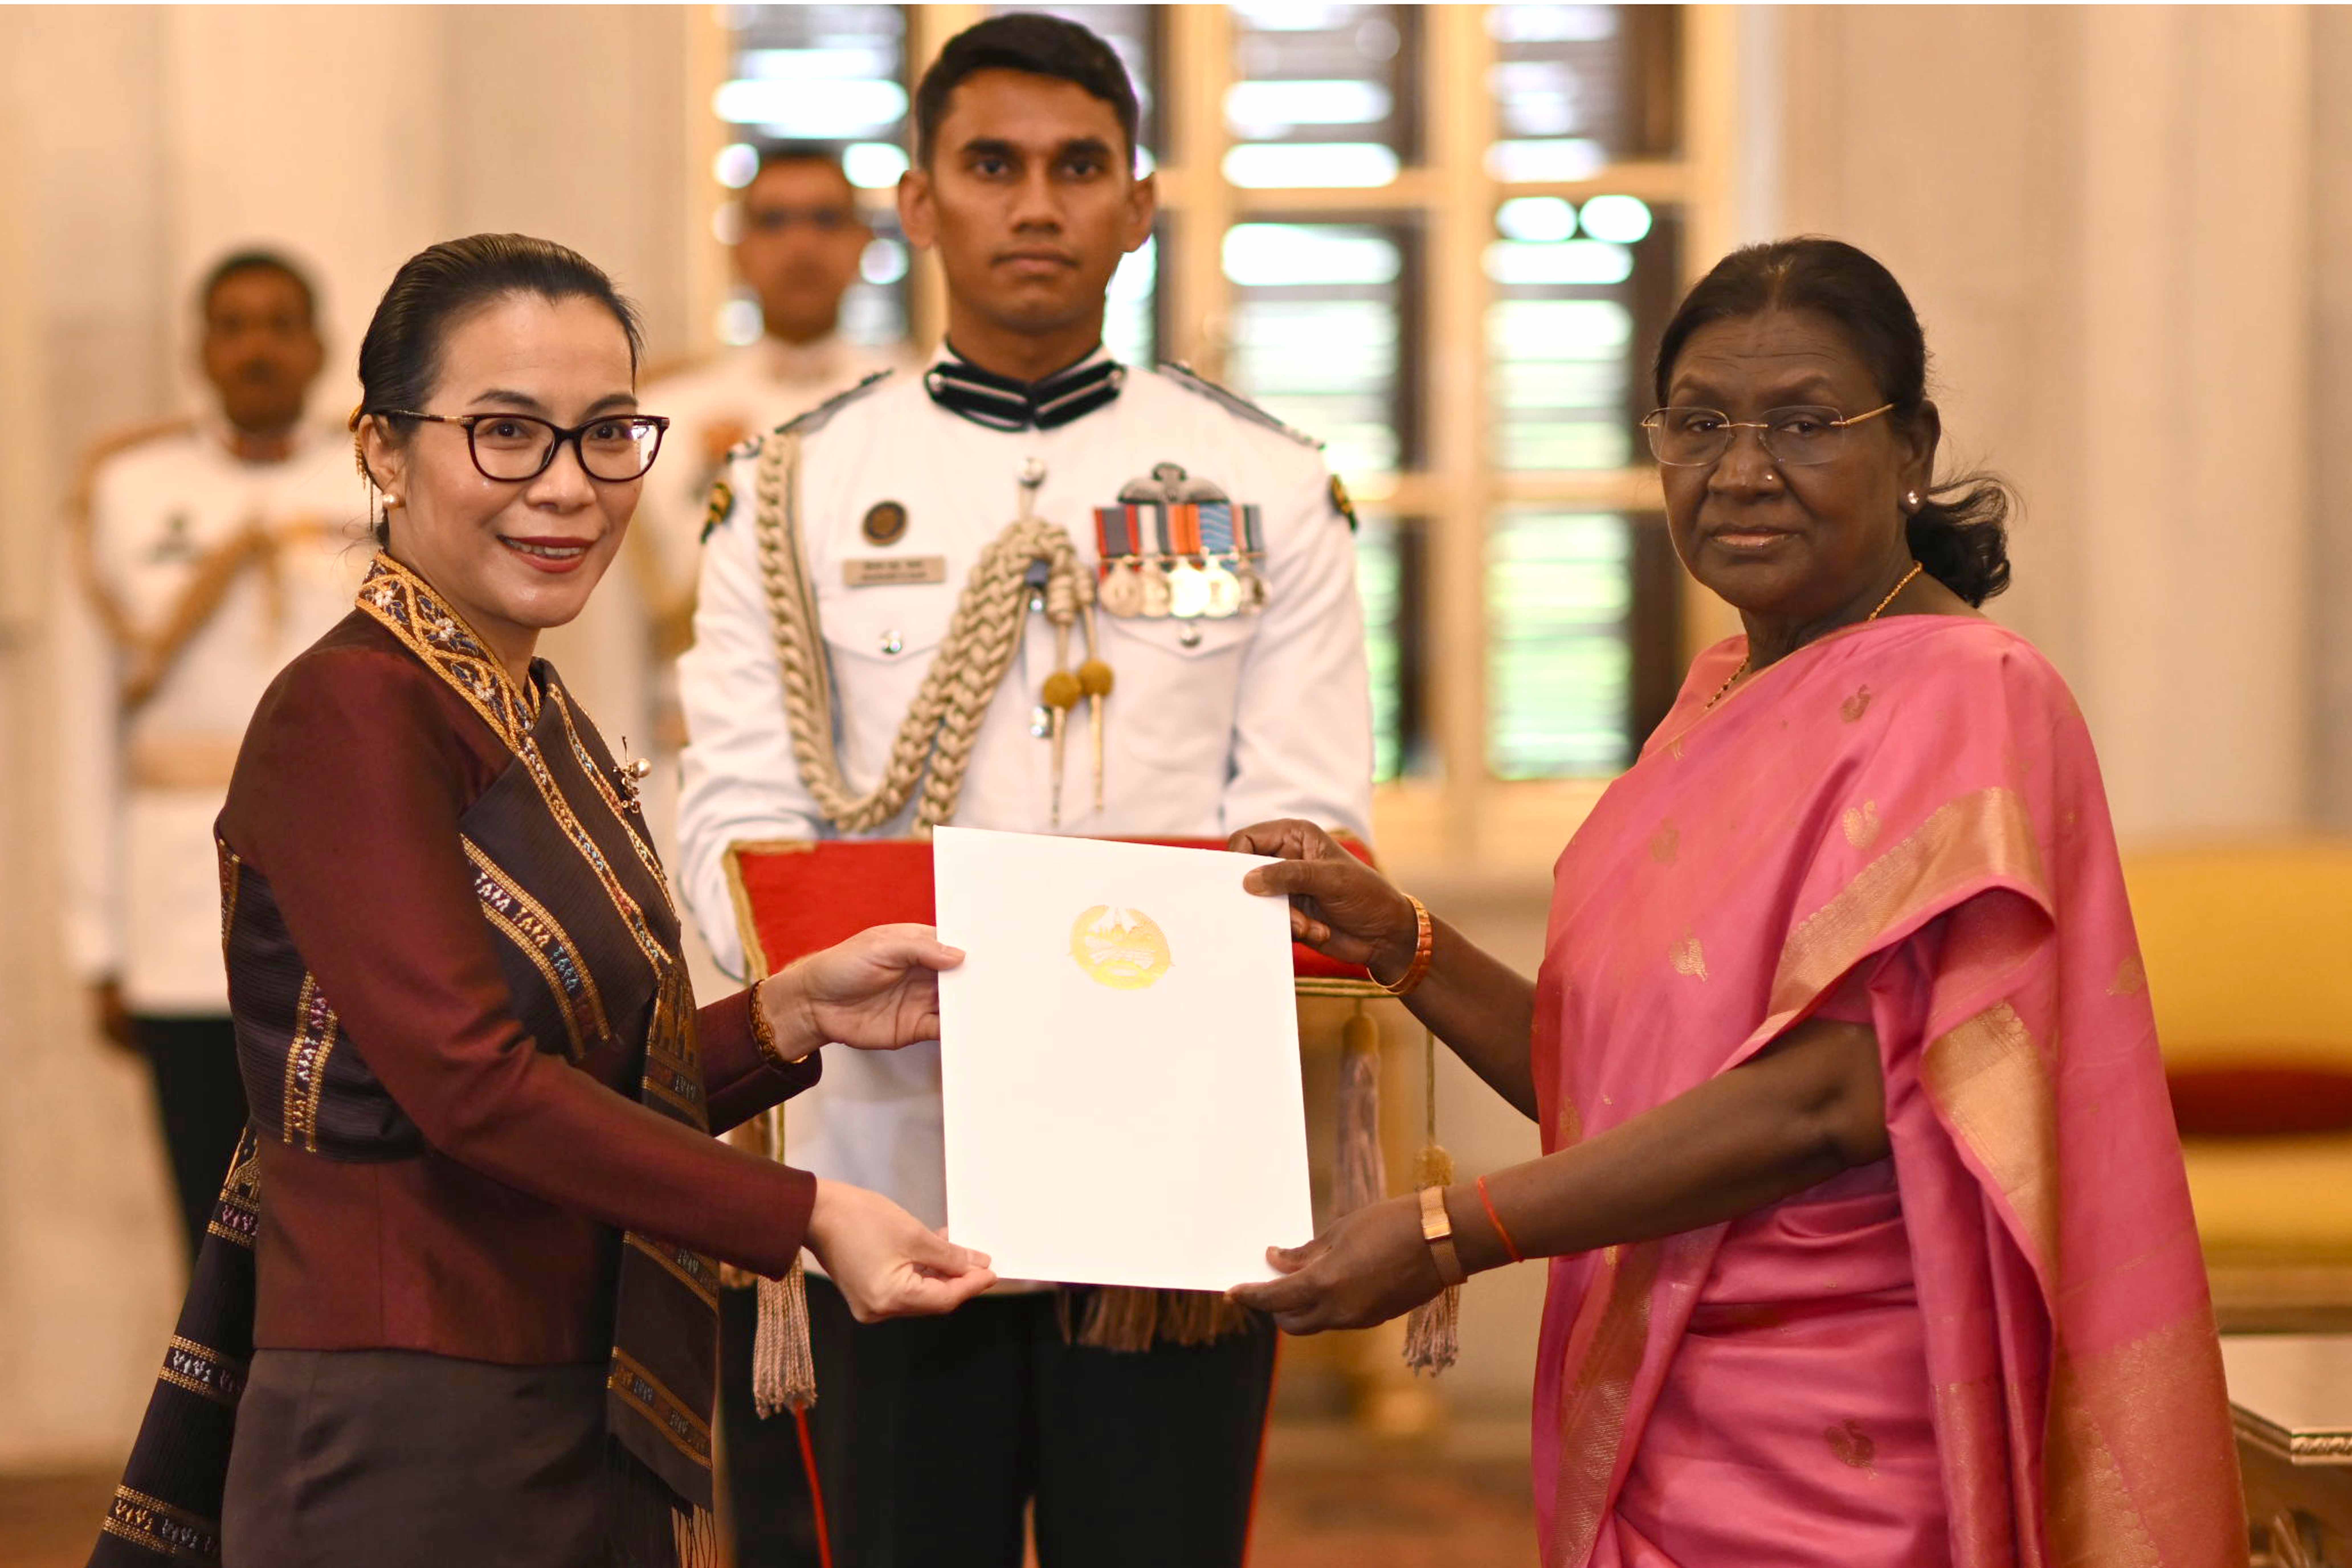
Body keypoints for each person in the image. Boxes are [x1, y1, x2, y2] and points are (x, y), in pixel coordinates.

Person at [1228, 238, 2245, 1565]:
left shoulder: (1969, 693)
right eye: (1700, 424)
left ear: (1911, 447)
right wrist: (1404, 942)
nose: (1743, 469)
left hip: (1849, 1436)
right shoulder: (1719, 691)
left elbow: (1828, 1100)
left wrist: (1451, 1231)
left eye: (1804, 424)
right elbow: (1615, 1084)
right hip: (1660, 1391)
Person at [90, 234, 995, 1568]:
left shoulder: (525, 705)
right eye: (506, 432)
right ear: (383, 449)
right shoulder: (352, 709)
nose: (568, 486)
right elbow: (470, 1083)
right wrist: (804, 1210)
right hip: (406, 1434)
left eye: (607, 433)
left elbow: (586, 1081)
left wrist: (788, 1018)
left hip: (556, 1403)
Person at [677, 15, 1372, 1567]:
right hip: (892, 1162)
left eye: (1079, 168)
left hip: (1171, 1168)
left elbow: (1312, 817)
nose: (1038, 205)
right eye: (993, 167)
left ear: (1140, 204)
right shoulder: (792, 486)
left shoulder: (1263, 483)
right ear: (920, 203)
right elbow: (732, 824)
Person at [58, 249, 371, 1263]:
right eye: (233, 326)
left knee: (346, 1215)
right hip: (180, 914)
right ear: (201, 348)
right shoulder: (127, 489)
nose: (256, 348)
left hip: (350, 900)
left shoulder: (377, 483)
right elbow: (83, 724)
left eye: (280, 324)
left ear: (319, 346)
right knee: (208, 1226)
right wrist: (98, 940)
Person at [632, 142, 916, 661]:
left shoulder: (917, 401)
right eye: (774, 222)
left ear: (863, 242)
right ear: (738, 249)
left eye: (826, 220)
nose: (801, 245)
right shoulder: (663, 414)